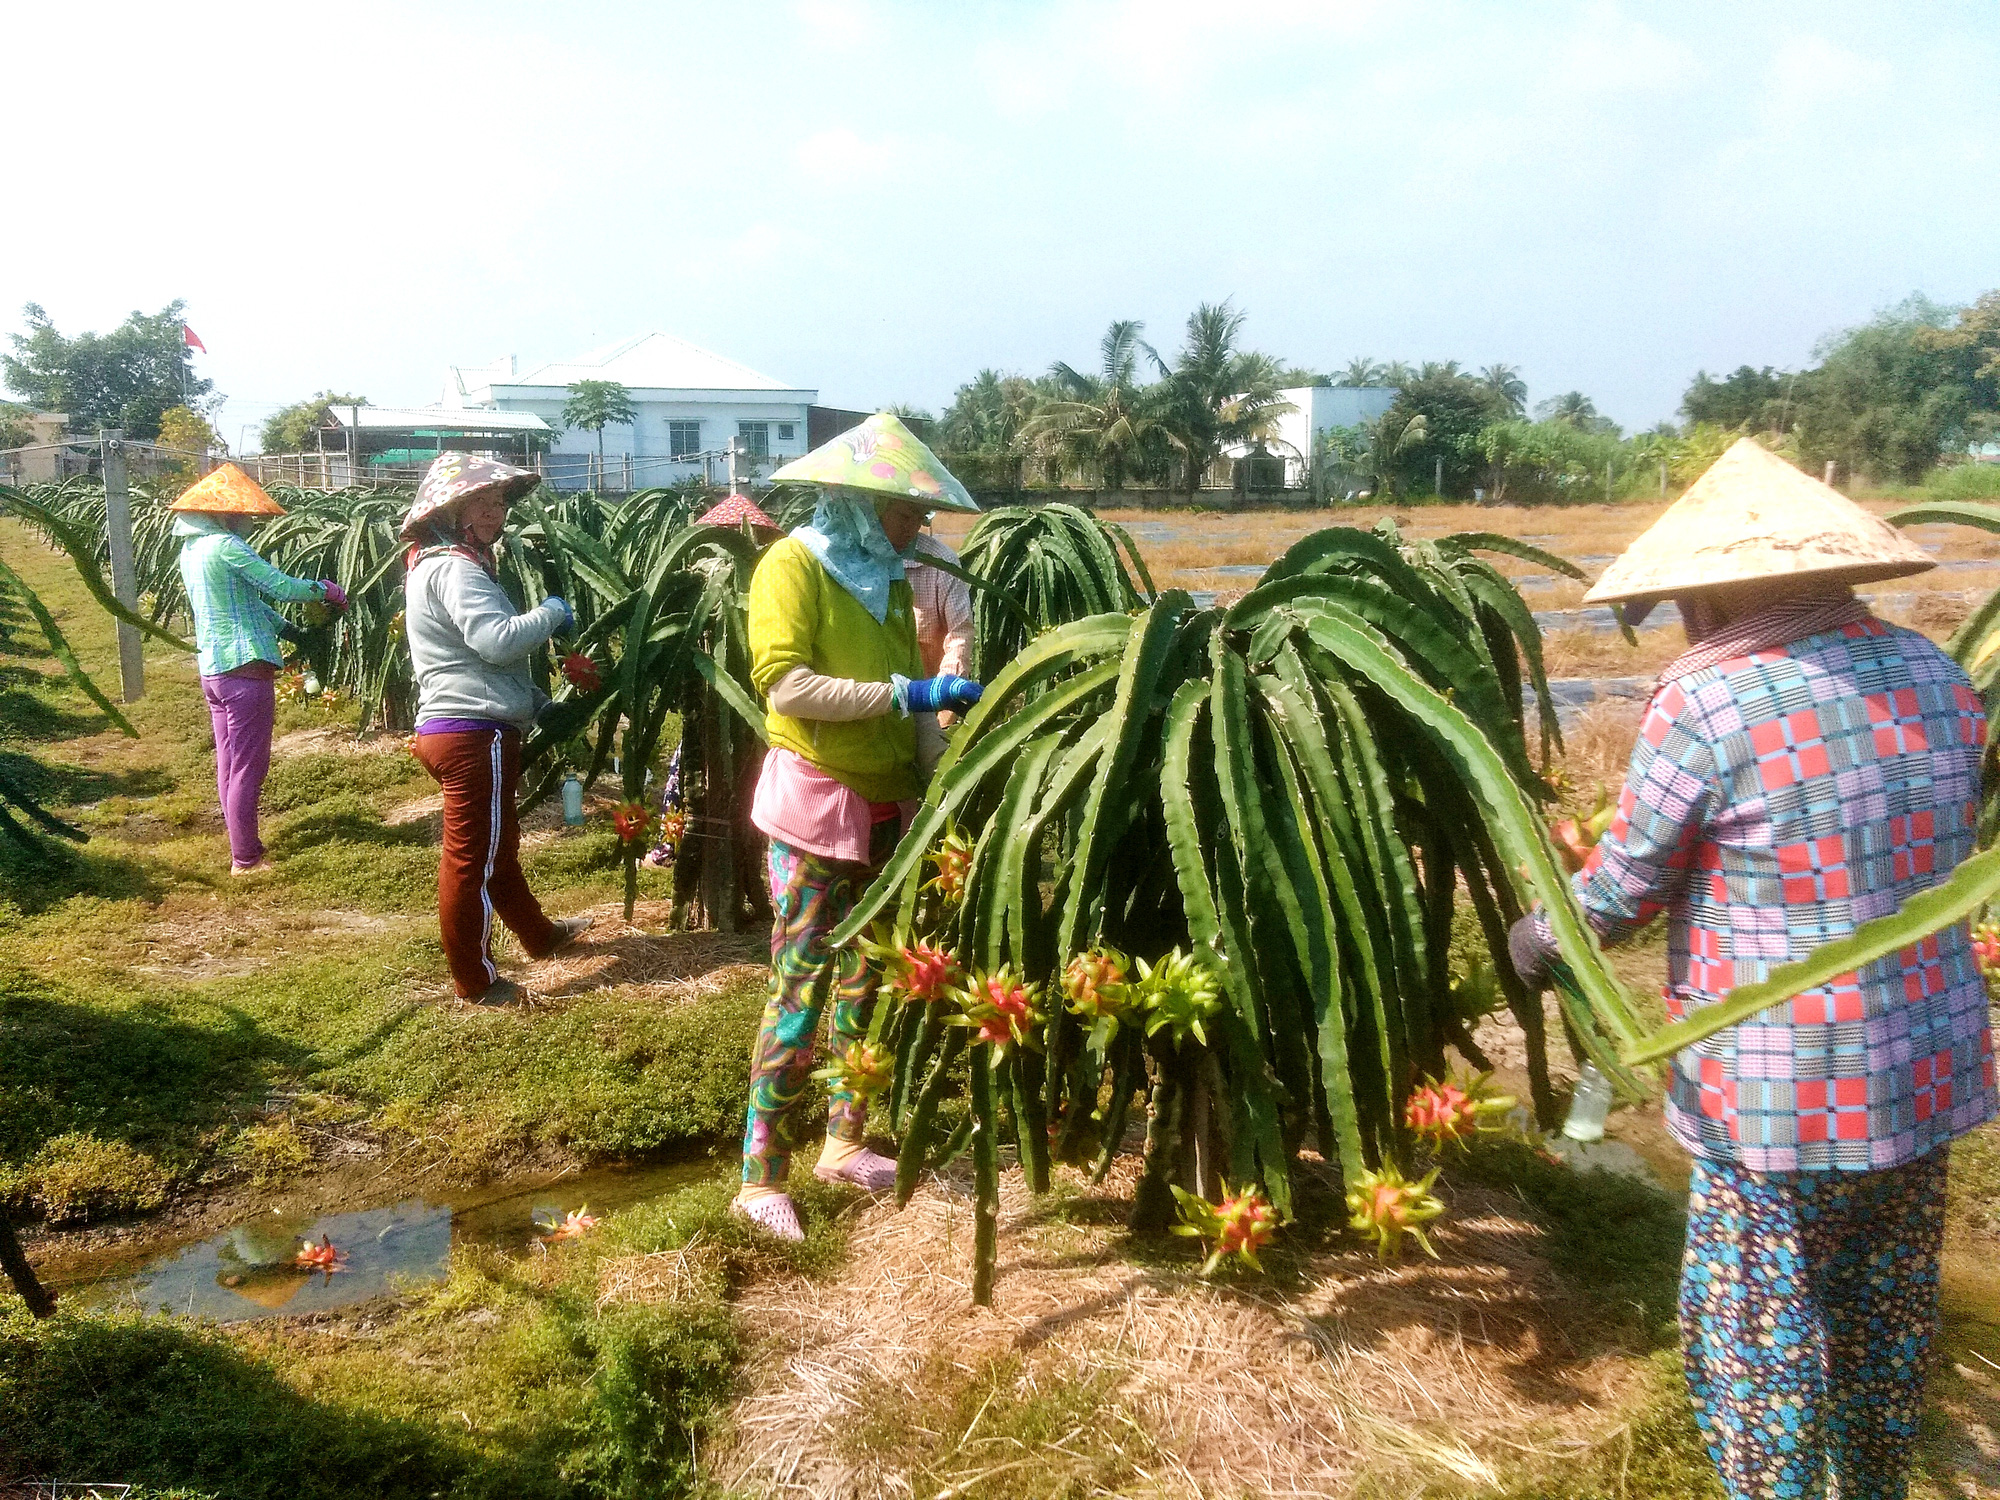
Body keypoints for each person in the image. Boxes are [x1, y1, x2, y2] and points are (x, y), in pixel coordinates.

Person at [1509, 439, 1998, 1500]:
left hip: (1776, 1100)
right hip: (1924, 1067)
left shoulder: (1708, 705)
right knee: (1882, 1316)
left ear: (1722, 589)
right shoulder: (1937, 674)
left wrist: (1539, 936)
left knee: (1755, 1337)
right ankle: (1872, 1485)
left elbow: (1626, 884)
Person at [733, 413, 984, 1240]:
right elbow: (788, 687)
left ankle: (842, 1142)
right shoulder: (792, 566)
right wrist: (903, 695)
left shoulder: (891, 578)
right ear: (858, 503)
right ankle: (759, 1175)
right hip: (813, 801)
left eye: (917, 514)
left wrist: (936, 778)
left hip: (884, 806)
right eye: (905, 511)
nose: (917, 526)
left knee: (866, 981)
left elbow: (912, 685)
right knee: (798, 987)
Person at [401, 452, 587, 1007]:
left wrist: (534, 700)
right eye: (480, 500)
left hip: (457, 725)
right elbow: (498, 641)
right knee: (471, 858)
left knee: (496, 848)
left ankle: (539, 936)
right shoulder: (455, 568)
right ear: (451, 509)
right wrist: (553, 611)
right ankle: (476, 982)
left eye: (500, 500)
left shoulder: (437, 564)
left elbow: (471, 661)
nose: (494, 510)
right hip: (473, 735)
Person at [171, 464, 347, 876]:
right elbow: (282, 587)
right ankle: (246, 859)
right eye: (244, 514)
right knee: (250, 765)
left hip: (213, 670)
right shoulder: (227, 546)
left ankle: (241, 844)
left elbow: (246, 604)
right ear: (226, 513)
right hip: (245, 669)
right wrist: (325, 590)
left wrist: (289, 631)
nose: (249, 521)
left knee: (229, 762)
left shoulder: (192, 550)